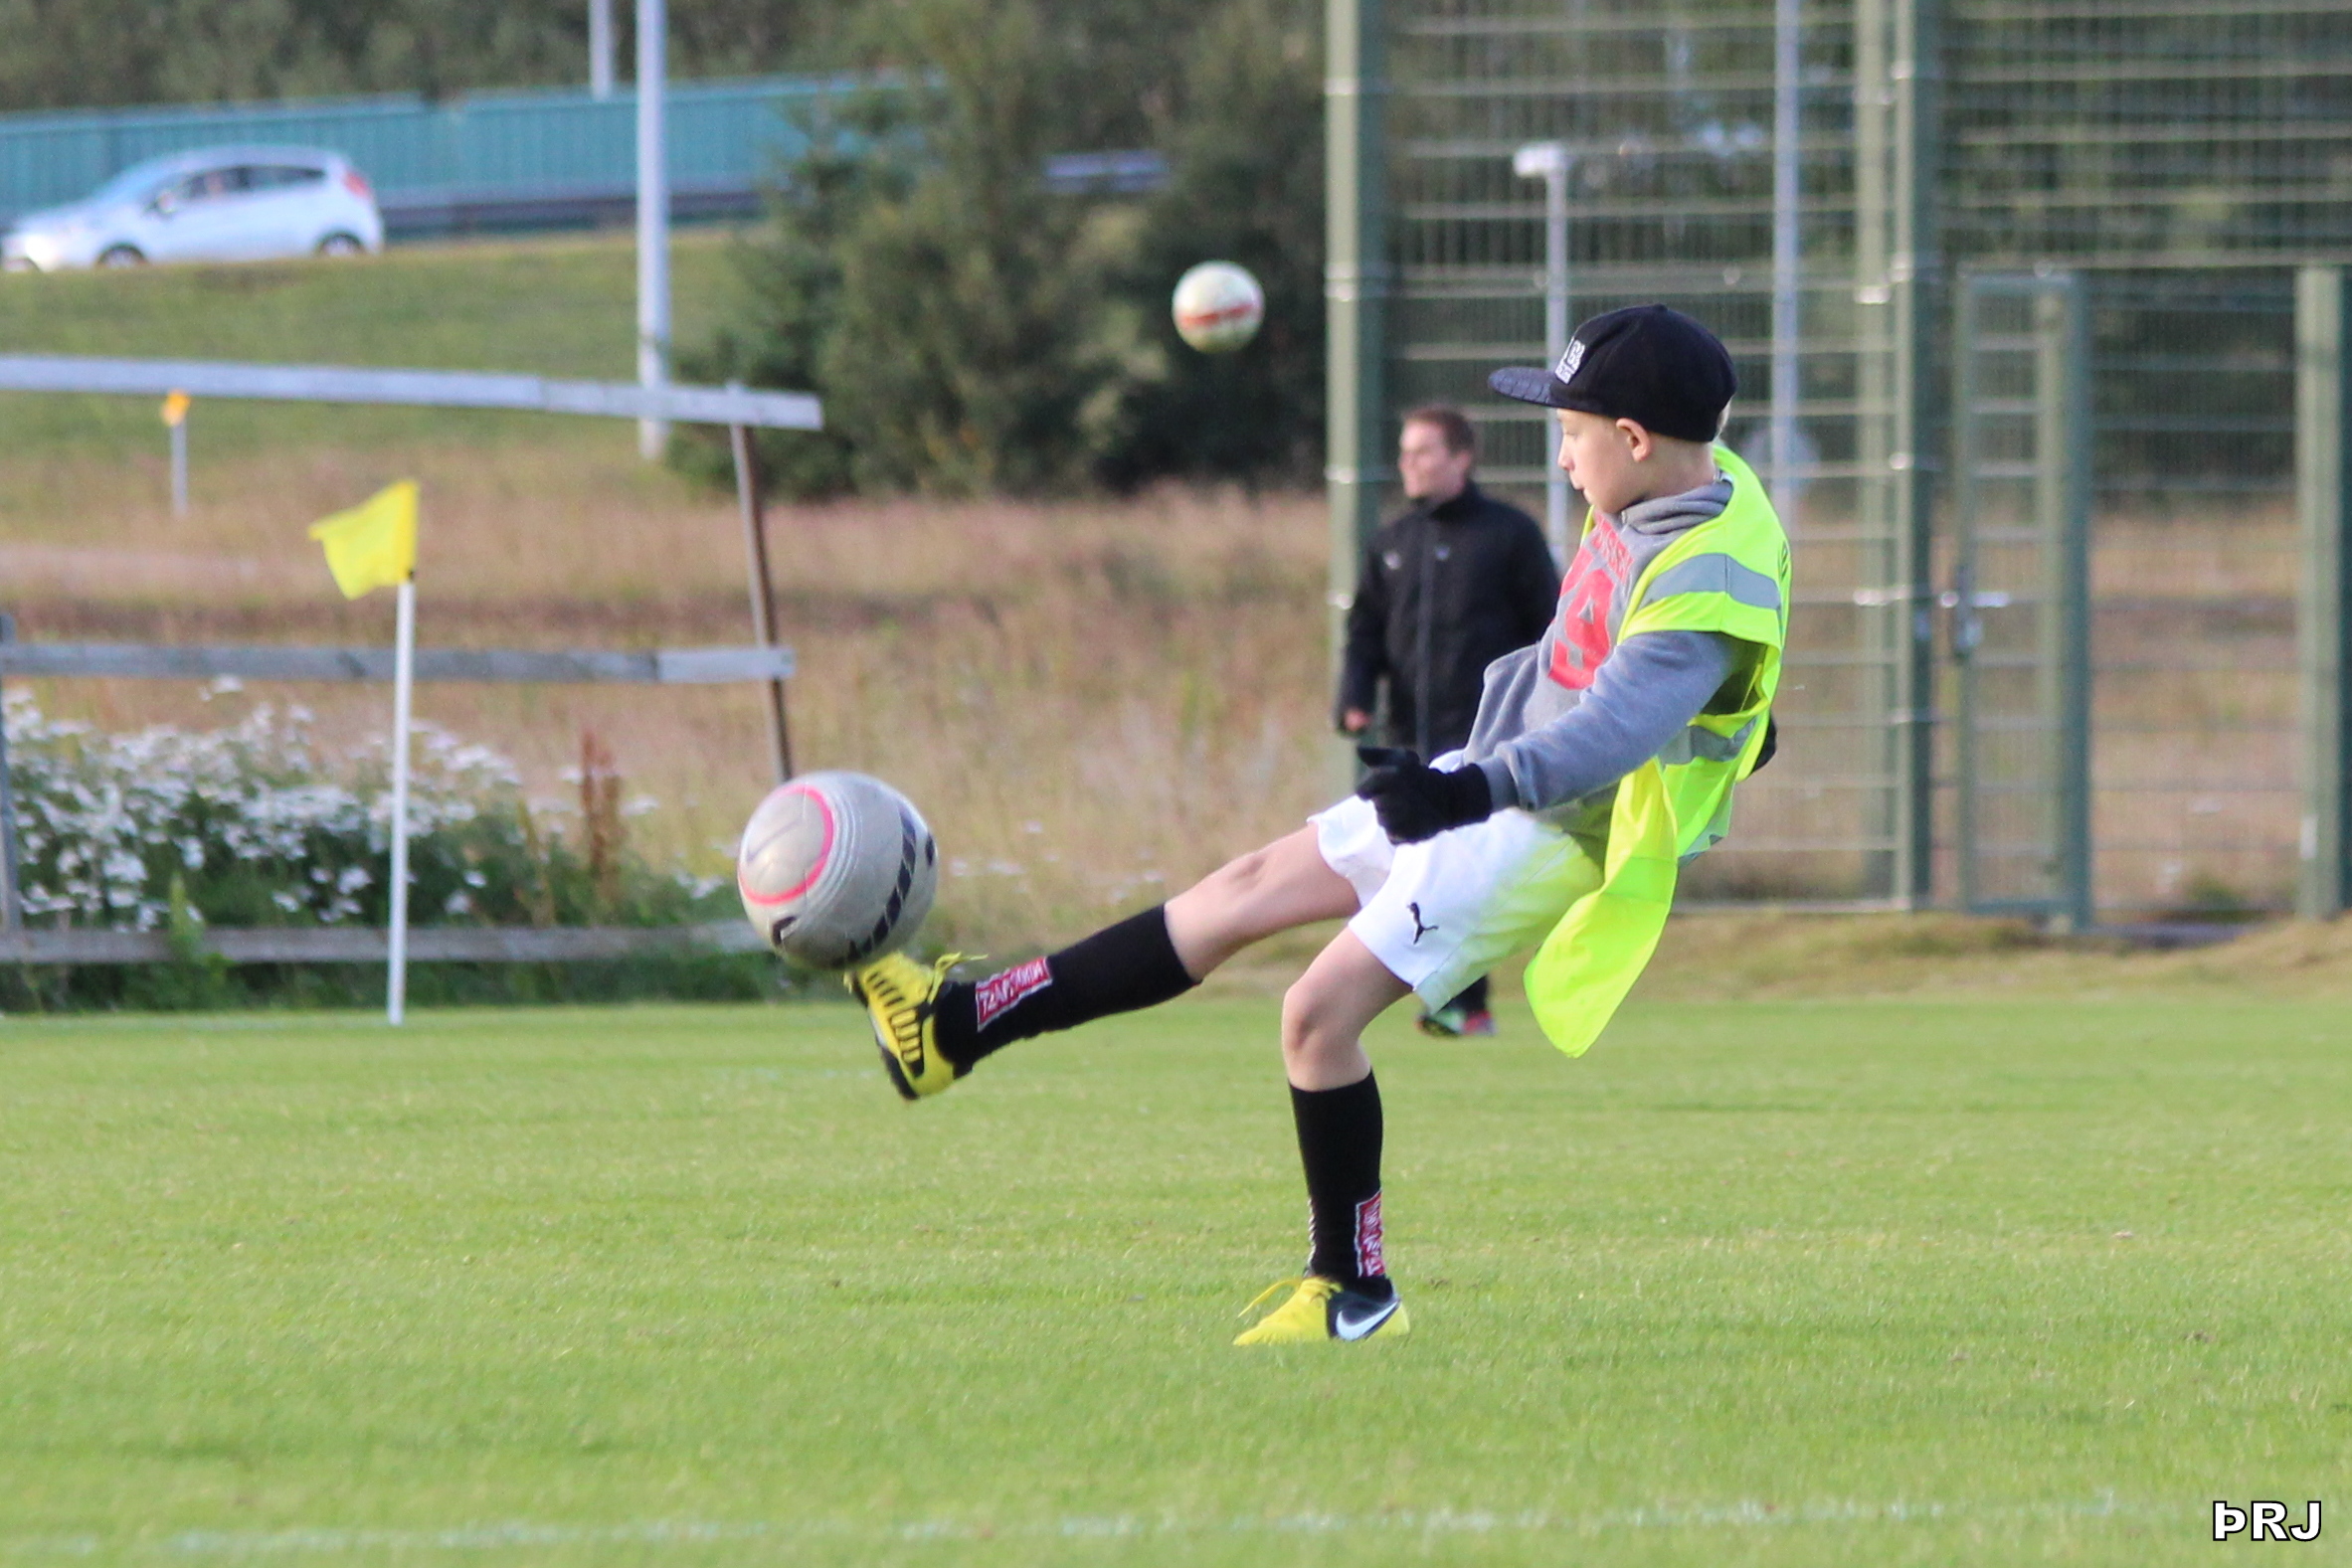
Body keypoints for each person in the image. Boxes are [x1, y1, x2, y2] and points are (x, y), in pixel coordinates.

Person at [848, 305, 1790, 1346]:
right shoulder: (1691, 476)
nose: (1561, 458)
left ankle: (1353, 1287)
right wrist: (1730, 725)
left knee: (1313, 1016)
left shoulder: (1705, 575)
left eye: (1571, 433)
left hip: (1544, 829)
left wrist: (1465, 795)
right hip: (1493, 773)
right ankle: (953, 1029)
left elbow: (1610, 733)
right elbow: (1703, 685)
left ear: (1635, 438)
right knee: (1240, 889)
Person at [1337, 404, 1555, 1037]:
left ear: (1462, 457)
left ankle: (1465, 1002)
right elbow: (1364, 633)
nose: (1409, 463)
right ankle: (1454, 1001)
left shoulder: (1508, 534)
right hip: (1409, 740)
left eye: (1424, 451)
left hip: (1487, 742)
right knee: (1408, 868)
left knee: (1462, 872)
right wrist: (1354, 695)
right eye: (1405, 451)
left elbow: (1551, 628)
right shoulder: (1392, 544)